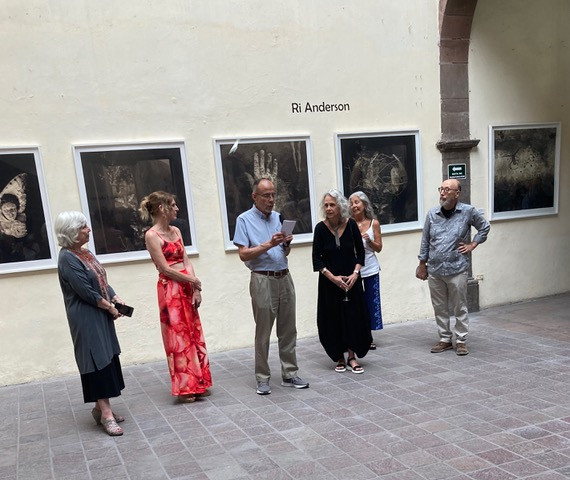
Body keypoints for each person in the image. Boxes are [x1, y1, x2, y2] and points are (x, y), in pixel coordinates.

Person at [233, 177, 309, 395]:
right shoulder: (244, 220)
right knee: (263, 331)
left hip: (284, 277)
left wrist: (286, 244)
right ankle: (262, 378)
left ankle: (290, 374)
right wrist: (269, 244)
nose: (271, 199)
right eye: (266, 195)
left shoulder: (278, 217)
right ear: (254, 196)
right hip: (262, 279)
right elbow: (243, 254)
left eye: (273, 194)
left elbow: (283, 252)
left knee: (288, 330)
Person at [55, 211, 126, 436]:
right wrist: (109, 306)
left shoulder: (85, 253)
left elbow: (101, 279)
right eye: (83, 227)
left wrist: (115, 298)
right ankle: (106, 415)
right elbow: (86, 291)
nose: (89, 229)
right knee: (96, 361)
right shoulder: (67, 258)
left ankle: (100, 409)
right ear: (72, 233)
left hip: (101, 311)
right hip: (86, 317)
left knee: (107, 357)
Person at [140, 191, 212, 402]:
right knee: (177, 338)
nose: (176, 209)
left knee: (193, 333)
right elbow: (164, 268)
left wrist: (195, 286)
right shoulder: (152, 235)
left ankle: (199, 383)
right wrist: (191, 281)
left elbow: (186, 260)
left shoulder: (177, 231)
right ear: (162, 208)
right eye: (173, 205)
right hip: (170, 289)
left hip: (187, 286)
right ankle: (185, 387)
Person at [416, 179, 490, 356]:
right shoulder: (432, 214)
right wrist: (421, 264)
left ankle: (461, 340)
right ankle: (444, 339)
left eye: (447, 189)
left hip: (457, 268)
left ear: (457, 194)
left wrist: (473, 244)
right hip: (435, 269)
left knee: (459, 306)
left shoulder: (468, 212)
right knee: (440, 306)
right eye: (441, 189)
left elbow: (484, 227)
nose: (442, 192)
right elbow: (425, 240)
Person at [312, 189, 372, 373]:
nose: (328, 208)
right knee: (333, 318)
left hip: (351, 281)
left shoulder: (352, 225)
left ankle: (352, 356)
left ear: (340, 206)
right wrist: (332, 277)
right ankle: (339, 356)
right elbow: (317, 258)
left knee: (353, 317)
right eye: (326, 205)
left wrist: (355, 274)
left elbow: (360, 253)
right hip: (330, 283)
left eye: (332, 205)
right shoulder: (320, 229)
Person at [349, 191, 383, 350]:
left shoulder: (373, 223)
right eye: (351, 203)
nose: (354, 206)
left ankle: (368, 337)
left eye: (357, 202)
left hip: (370, 269)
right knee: (356, 304)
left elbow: (379, 248)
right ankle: (356, 335)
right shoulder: (348, 224)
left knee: (371, 303)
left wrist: (369, 241)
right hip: (353, 271)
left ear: (364, 204)